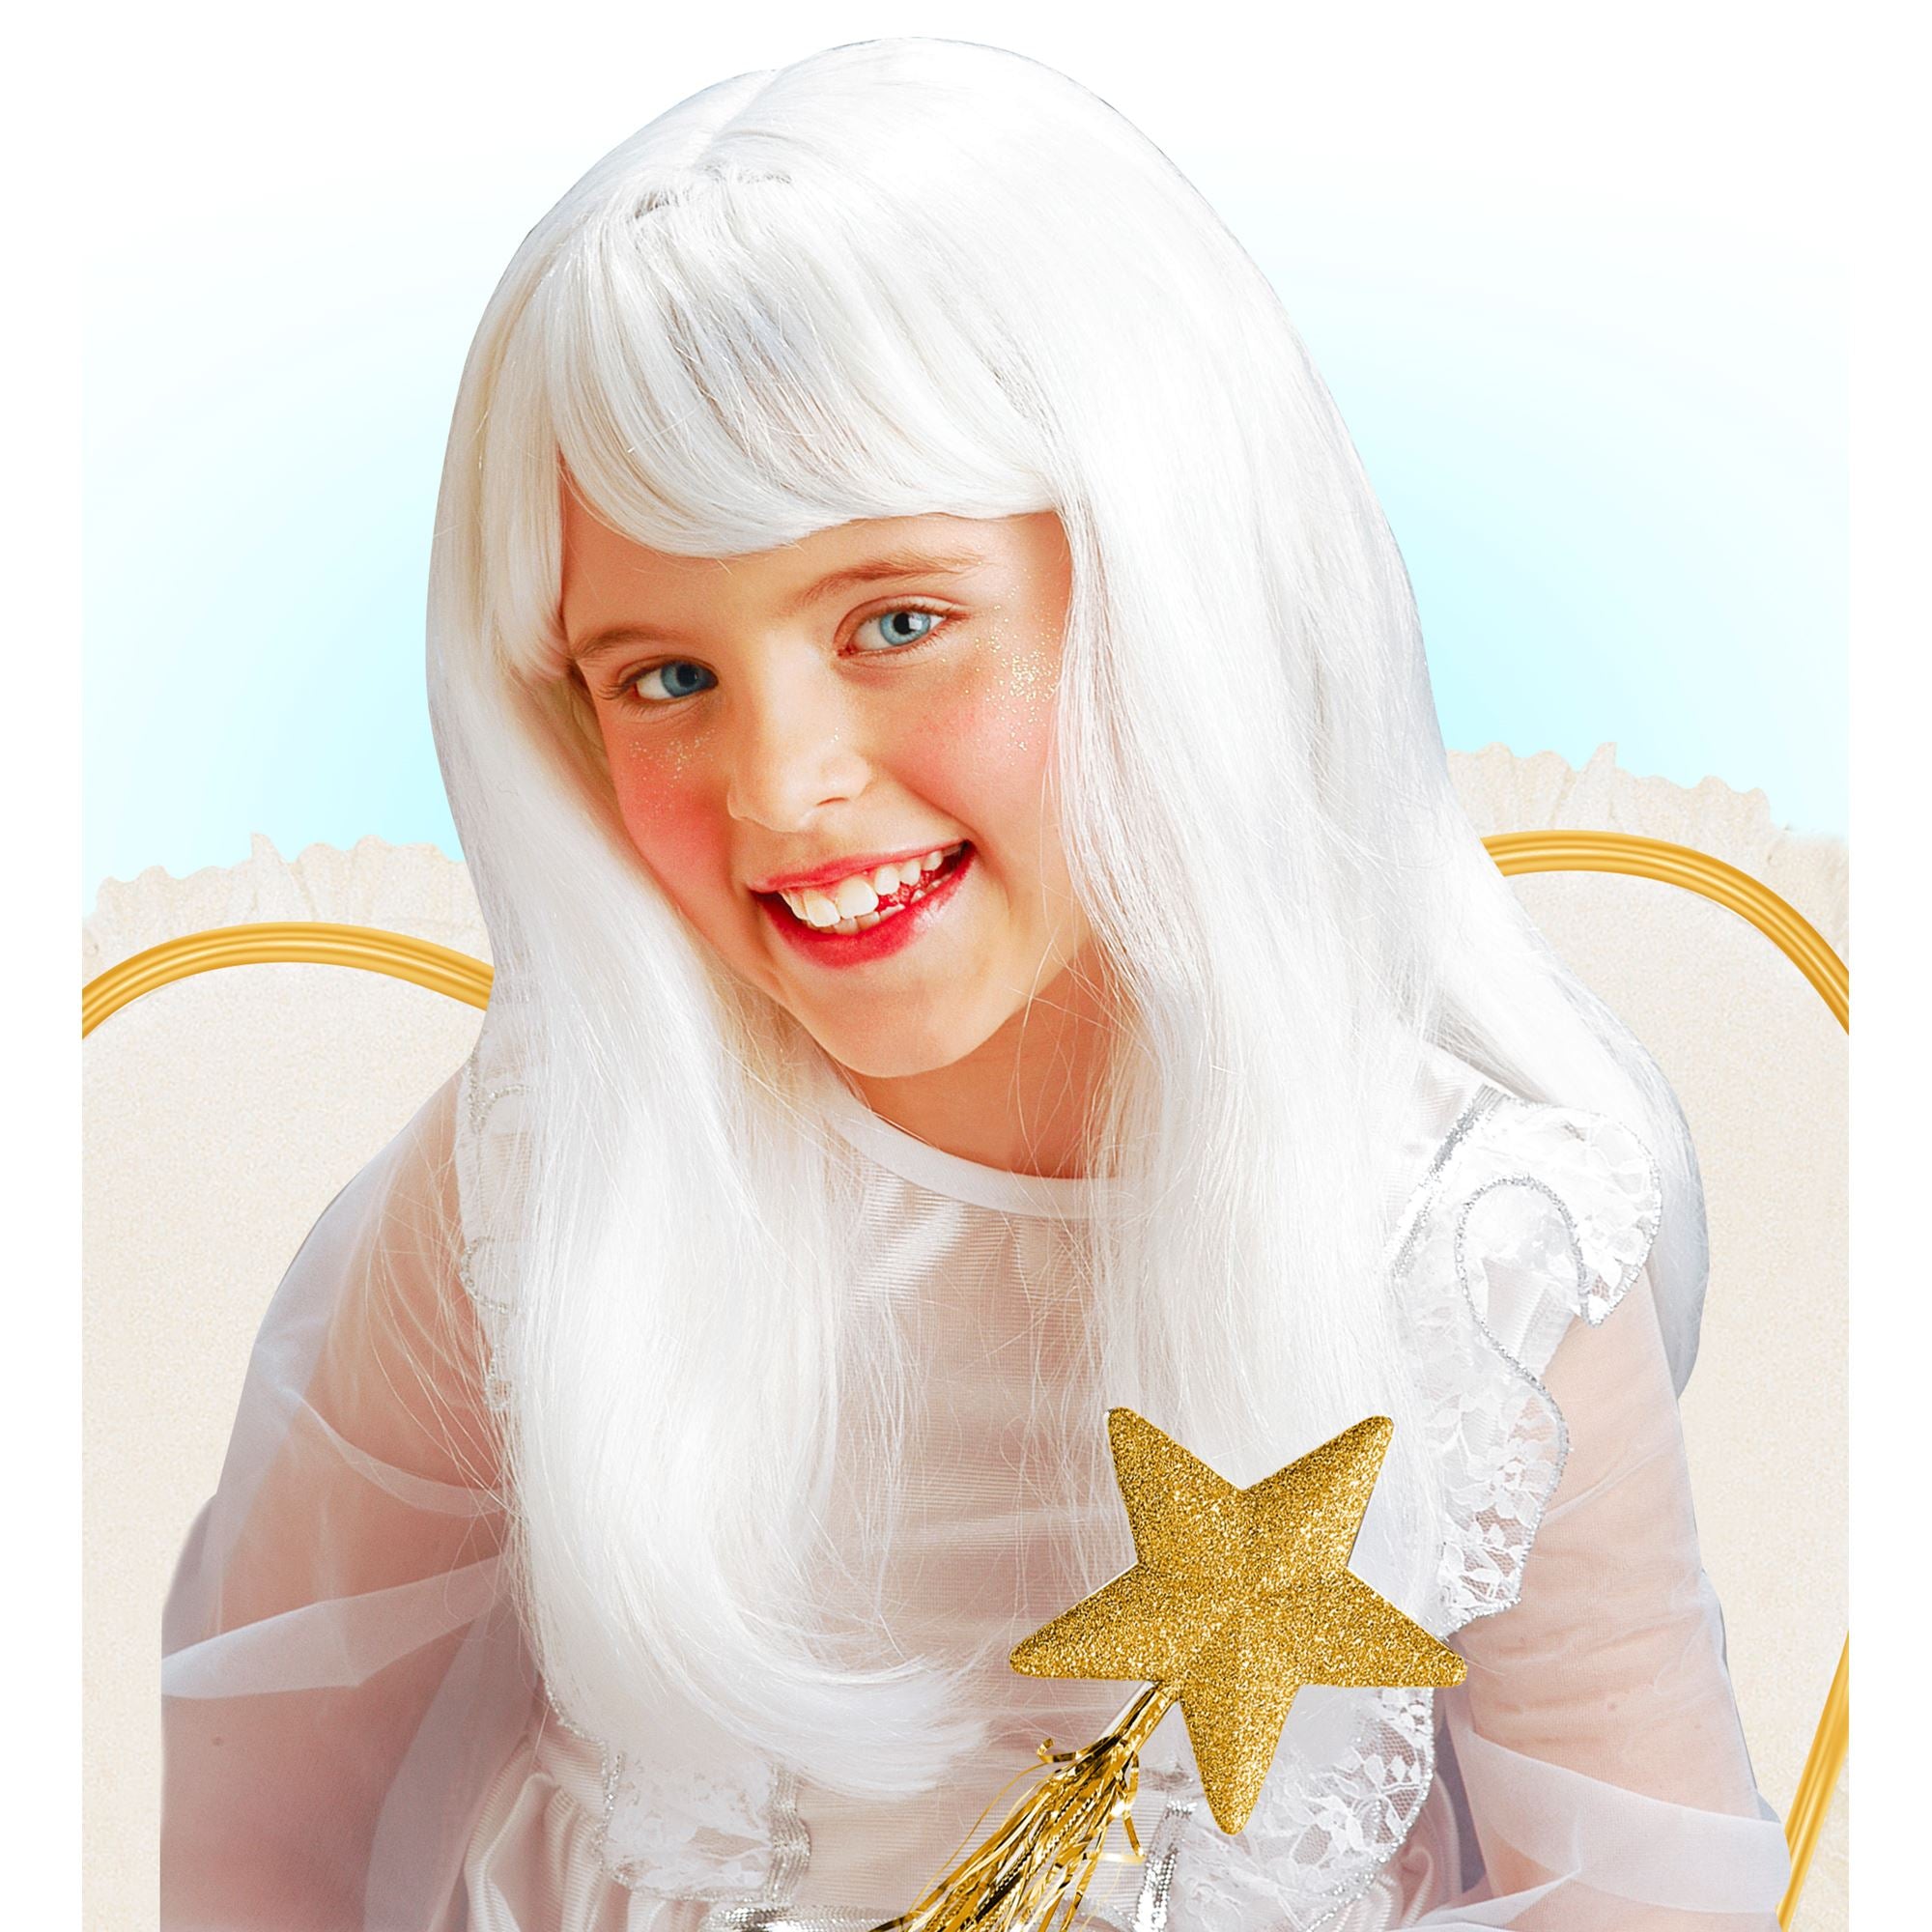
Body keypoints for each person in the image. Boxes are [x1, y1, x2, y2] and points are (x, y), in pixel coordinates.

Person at [159, 36, 1792, 1932]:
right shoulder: (553, 1175)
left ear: (1173, 594)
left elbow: (1642, 1879)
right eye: (665, 677)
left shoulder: (1472, 1243)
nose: (782, 783)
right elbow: (269, 1809)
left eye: (898, 621)